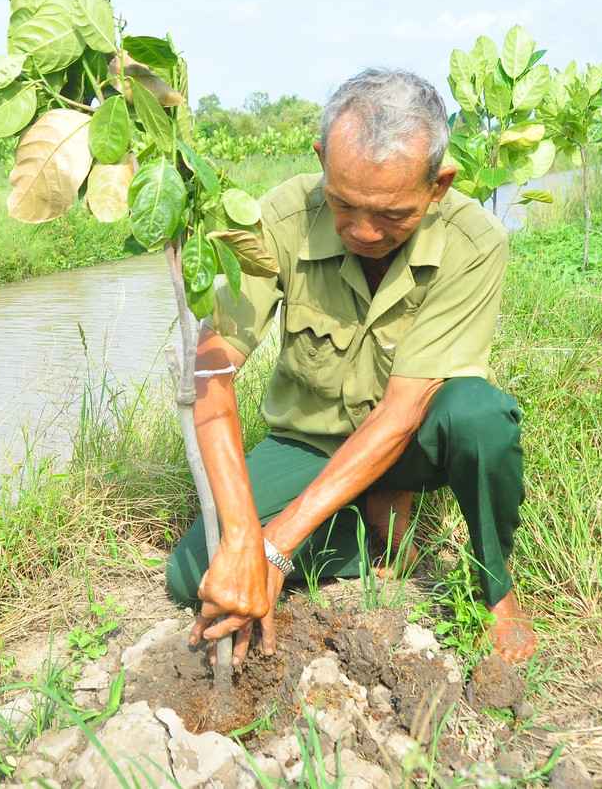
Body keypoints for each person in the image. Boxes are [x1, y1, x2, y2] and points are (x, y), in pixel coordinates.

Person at [165, 68, 536, 666]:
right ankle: (376, 532)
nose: (364, 231)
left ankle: (496, 586)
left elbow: (404, 410)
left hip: (409, 440)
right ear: (322, 162)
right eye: (343, 204)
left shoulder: (474, 241)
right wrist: (240, 538)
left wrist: (275, 548)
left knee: (479, 416)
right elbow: (211, 371)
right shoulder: (281, 217)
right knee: (192, 574)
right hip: (310, 442)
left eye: (392, 214)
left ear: (438, 186)